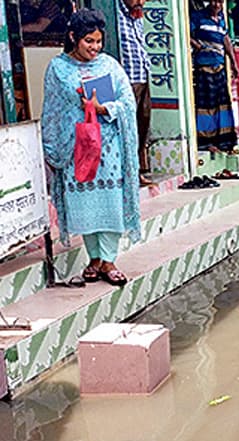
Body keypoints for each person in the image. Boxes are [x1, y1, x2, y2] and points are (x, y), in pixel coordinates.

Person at [41, 9, 140, 286]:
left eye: (98, 41)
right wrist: (52, 148)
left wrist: (103, 108)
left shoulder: (110, 65)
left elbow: (128, 103)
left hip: (109, 148)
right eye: (88, 41)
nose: (95, 48)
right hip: (76, 147)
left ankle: (109, 260)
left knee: (109, 201)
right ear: (73, 37)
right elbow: (52, 111)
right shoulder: (58, 69)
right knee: (84, 203)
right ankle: (94, 258)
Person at [190, 0, 239, 153]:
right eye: (214, 1)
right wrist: (197, 45)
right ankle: (206, 142)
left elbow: (226, 40)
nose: (217, 5)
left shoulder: (222, 19)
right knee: (206, 107)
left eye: (220, 1)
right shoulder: (198, 17)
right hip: (204, 68)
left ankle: (223, 142)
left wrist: (233, 61)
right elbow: (186, 33)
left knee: (222, 105)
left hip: (220, 67)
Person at [117, 0, 154, 186]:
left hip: (142, 76)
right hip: (126, 80)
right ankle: (128, 174)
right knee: (127, 130)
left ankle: (137, 171)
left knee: (142, 126)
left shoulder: (137, 16)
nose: (141, 2)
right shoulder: (114, 13)